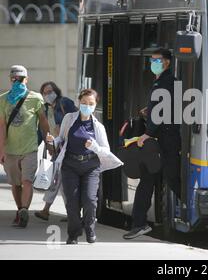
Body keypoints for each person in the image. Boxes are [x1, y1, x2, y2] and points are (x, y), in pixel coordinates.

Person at [46, 89, 123, 244]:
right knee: (72, 202)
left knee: (89, 200)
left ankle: (89, 227)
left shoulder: (98, 127)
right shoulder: (69, 118)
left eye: (91, 103)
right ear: (79, 103)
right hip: (70, 165)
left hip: (90, 166)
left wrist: (94, 147)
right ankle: (73, 234)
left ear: (95, 105)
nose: (87, 106)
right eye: (84, 103)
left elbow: (106, 150)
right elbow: (61, 138)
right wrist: (52, 141)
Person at [123, 48, 181, 240]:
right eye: (152, 60)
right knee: (149, 180)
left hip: (165, 141)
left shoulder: (166, 82)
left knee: (170, 179)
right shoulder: (163, 82)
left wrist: (146, 134)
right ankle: (139, 223)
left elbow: (162, 112)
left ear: (167, 62)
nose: (153, 63)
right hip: (163, 140)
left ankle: (139, 223)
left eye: (157, 60)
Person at [0, 65, 50, 228]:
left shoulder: (36, 98)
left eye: (20, 79)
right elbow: (1, 127)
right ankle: (20, 209)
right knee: (15, 183)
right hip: (10, 150)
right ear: (10, 79)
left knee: (27, 181)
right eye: (14, 79)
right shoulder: (3, 99)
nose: (17, 82)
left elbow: (43, 121)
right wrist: (1, 150)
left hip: (30, 148)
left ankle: (23, 211)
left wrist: (49, 142)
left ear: (26, 80)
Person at [35, 81, 77, 221]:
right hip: (55, 150)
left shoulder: (64, 103)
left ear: (56, 91)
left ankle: (47, 210)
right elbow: (42, 131)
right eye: (45, 93)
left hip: (68, 149)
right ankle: (71, 213)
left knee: (58, 182)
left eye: (50, 91)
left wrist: (64, 130)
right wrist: (34, 147)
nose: (48, 95)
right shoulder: (45, 110)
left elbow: (77, 120)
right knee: (59, 182)